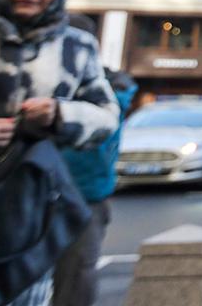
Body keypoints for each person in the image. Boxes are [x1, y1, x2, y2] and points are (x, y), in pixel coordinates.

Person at [0, 0, 121, 306]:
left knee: (25, 293)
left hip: (29, 204)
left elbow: (107, 116)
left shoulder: (76, 46)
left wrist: (61, 115)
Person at [52, 66, 137, 306]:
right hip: (89, 195)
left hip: (77, 194)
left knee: (72, 276)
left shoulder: (95, 95)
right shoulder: (109, 94)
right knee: (75, 276)